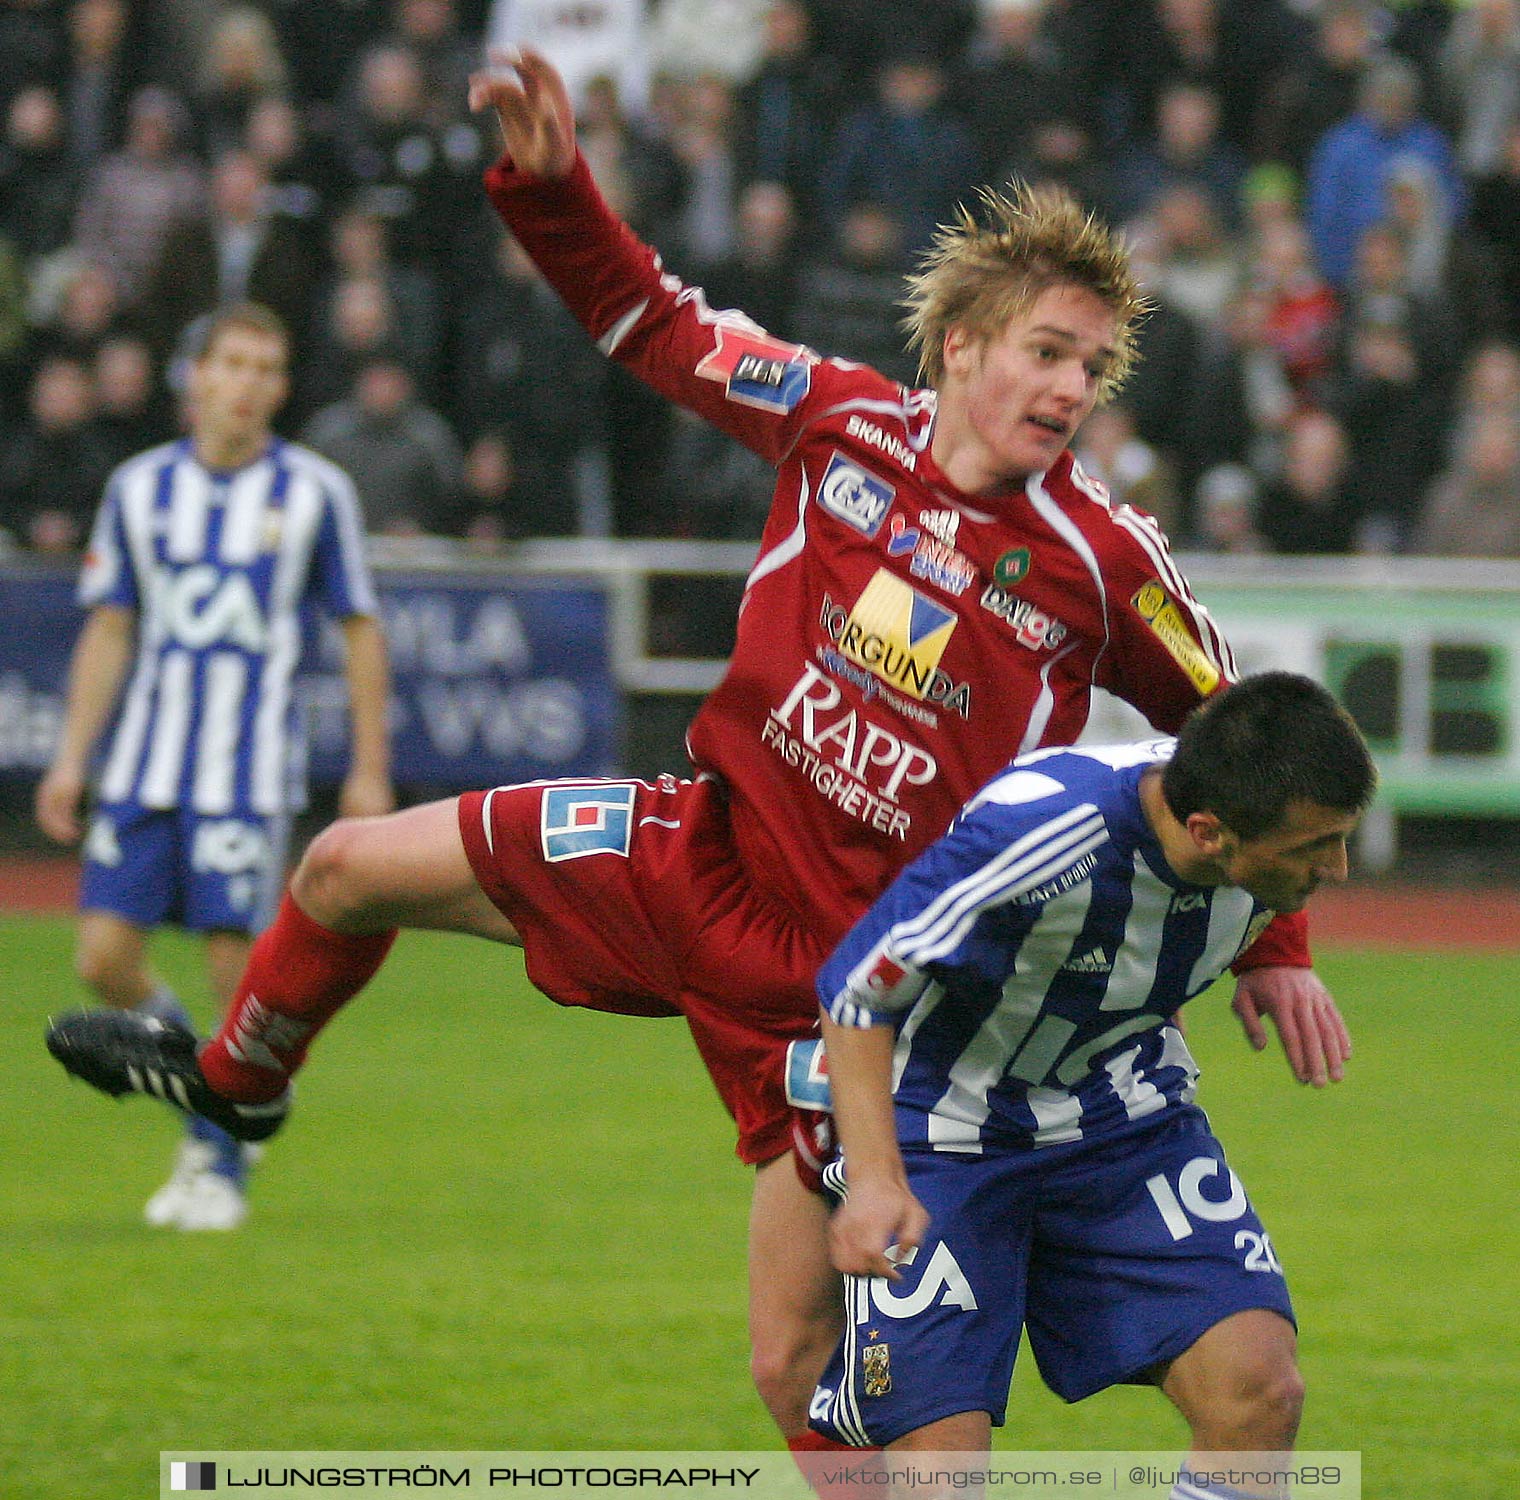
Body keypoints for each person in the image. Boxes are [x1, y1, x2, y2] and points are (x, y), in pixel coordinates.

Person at [47, 53, 1353, 1457]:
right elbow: (650, 322)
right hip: (693, 851)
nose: (1070, 386)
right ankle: (238, 1091)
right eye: (1047, 349)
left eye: (1091, 366)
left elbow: (1249, 738)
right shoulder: (835, 417)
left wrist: (1273, 948)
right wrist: (551, 192)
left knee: (792, 1364)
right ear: (960, 347)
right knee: (345, 865)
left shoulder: (1101, 560)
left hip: (859, 986)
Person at [811, 672, 1375, 1492]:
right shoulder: (1038, 833)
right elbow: (860, 986)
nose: (1340, 868)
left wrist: (1277, 962)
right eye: (1311, 849)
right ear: (1208, 832)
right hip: (945, 1133)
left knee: (1259, 1393)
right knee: (940, 1471)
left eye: (1342, 836)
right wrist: (872, 1181)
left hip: (1125, 1125)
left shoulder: (1246, 822)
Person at [37, 302, 394, 1231]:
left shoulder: (315, 492)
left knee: (238, 977)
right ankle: (215, 1094)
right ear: (195, 376)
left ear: (279, 387)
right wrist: (71, 757)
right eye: (231, 363)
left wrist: (368, 767)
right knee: (102, 958)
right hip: (145, 767)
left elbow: (360, 630)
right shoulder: (137, 487)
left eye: (266, 369)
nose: (247, 384)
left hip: (244, 771)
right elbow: (111, 626)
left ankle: (220, 1164)